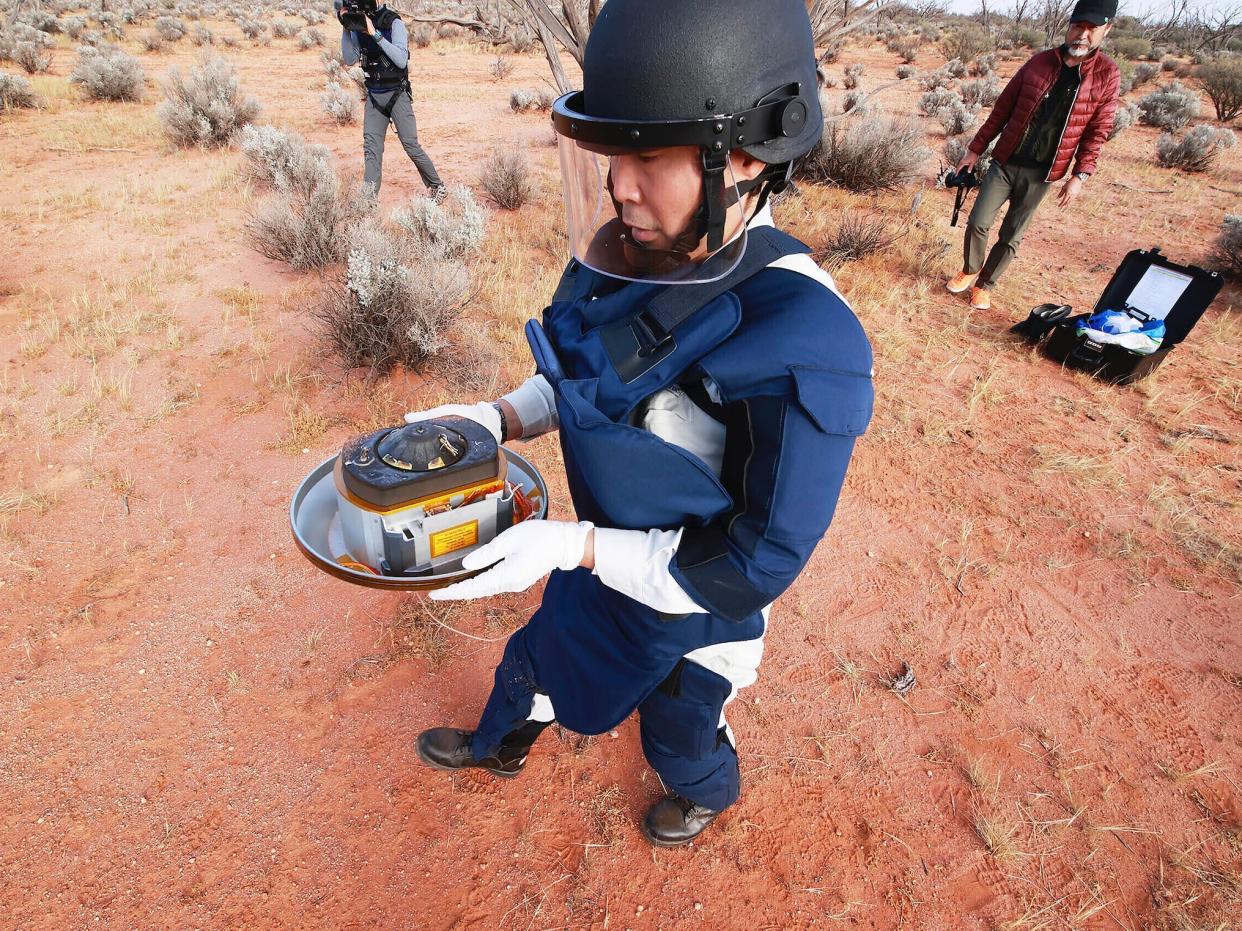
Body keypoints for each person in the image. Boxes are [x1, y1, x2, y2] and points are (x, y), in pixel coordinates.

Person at [406, 0, 873, 847]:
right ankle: (499, 744)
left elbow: (748, 564)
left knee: (679, 728)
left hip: (696, 608)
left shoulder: (807, 339)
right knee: (536, 659)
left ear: (741, 154)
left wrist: (574, 545)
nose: (620, 184)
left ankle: (706, 790)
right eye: (611, 154)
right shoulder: (631, 248)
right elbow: (583, 378)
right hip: (603, 556)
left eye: (649, 155)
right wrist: (499, 416)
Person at [947, 0, 1120, 311]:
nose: (1082, 35)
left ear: (1106, 30)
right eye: (1078, 26)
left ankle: (985, 285)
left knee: (1012, 234)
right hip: (1006, 161)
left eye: (1091, 29)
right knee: (978, 221)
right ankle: (971, 269)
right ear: (1069, 27)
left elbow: (1098, 131)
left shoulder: (1106, 75)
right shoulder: (1039, 63)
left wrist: (1079, 176)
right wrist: (976, 149)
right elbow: (1002, 110)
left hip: (1043, 172)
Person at [336, 0, 445, 198]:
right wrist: (347, 26)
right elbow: (350, 59)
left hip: (397, 94)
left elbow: (401, 59)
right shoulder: (359, 23)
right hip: (374, 97)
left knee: (411, 145)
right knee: (371, 150)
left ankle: (438, 186)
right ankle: (368, 202)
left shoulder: (394, 22)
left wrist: (374, 34)